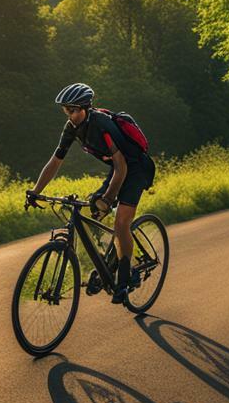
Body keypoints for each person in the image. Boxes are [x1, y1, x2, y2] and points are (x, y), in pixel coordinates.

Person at [25, 83, 156, 305]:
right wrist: (36, 191)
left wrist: (108, 199)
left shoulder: (102, 125)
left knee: (121, 222)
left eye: (74, 110)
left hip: (135, 169)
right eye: (67, 110)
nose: (70, 115)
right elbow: (55, 161)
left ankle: (125, 277)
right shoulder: (71, 128)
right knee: (92, 213)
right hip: (118, 170)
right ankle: (108, 262)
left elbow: (122, 166)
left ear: (85, 108)